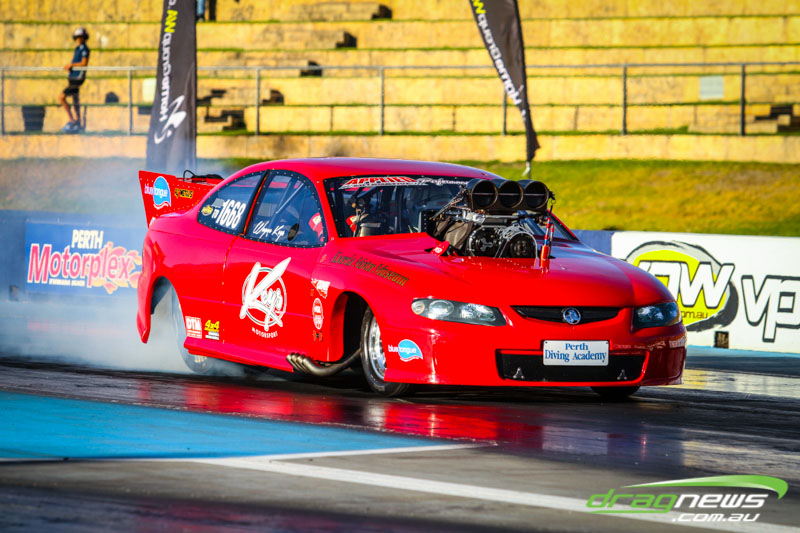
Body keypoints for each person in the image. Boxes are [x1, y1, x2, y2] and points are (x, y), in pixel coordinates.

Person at [59, 27, 90, 133]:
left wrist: (71, 65)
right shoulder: (78, 49)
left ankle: (72, 120)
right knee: (75, 100)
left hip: (77, 78)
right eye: (77, 37)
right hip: (73, 77)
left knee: (61, 97)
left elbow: (84, 63)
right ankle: (78, 122)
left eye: (80, 37)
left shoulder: (84, 49)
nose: (79, 39)